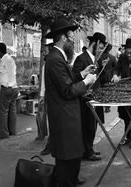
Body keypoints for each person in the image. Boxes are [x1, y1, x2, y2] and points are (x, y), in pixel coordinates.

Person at [44, 18, 97, 187]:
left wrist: (82, 74)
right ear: (64, 38)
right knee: (66, 159)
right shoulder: (54, 59)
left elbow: (66, 80)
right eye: (72, 35)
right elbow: (67, 90)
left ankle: (72, 179)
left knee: (73, 154)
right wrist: (87, 82)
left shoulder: (58, 57)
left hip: (68, 116)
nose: (74, 39)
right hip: (63, 117)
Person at [72, 32, 107, 161]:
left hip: (95, 97)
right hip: (85, 99)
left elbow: (98, 78)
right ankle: (86, 151)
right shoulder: (82, 58)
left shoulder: (95, 59)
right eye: (101, 47)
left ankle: (89, 148)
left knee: (93, 125)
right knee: (88, 125)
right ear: (94, 44)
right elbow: (76, 77)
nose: (102, 50)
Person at [0, 43, 19, 139]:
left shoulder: (6, 59)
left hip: (8, 88)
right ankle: (12, 131)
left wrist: (9, 85)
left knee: (3, 112)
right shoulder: (8, 59)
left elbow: (11, 73)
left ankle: (4, 133)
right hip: (13, 88)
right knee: (12, 110)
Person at [98, 43, 117, 113]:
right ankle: (107, 106)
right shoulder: (112, 57)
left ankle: (102, 104)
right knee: (108, 92)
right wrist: (114, 74)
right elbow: (116, 67)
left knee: (102, 91)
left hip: (101, 77)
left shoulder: (99, 57)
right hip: (109, 77)